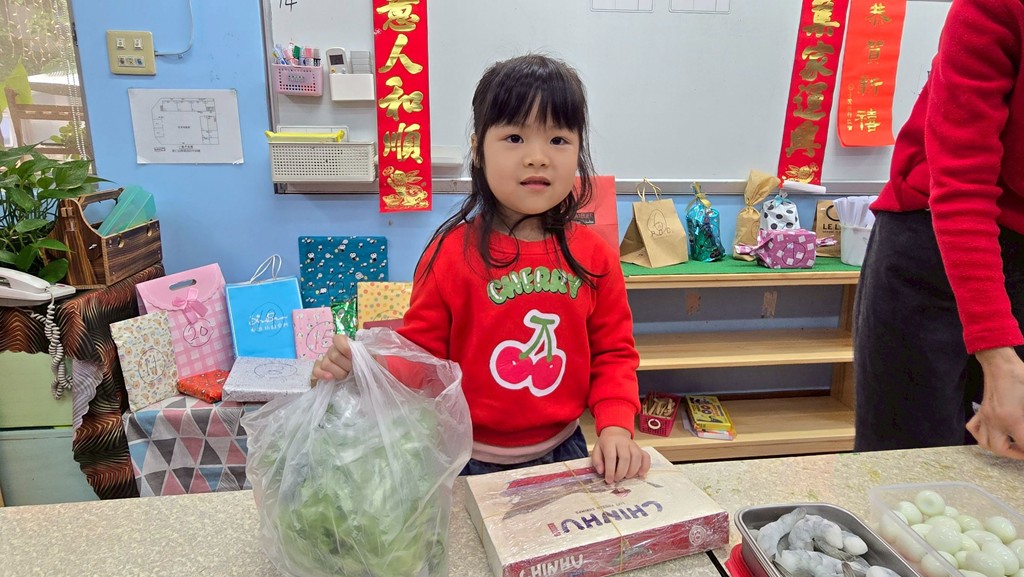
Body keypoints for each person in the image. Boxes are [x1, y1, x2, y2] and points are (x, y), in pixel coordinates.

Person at [314, 54, 651, 483]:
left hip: (564, 450)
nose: (537, 157)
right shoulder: (450, 254)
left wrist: (616, 426)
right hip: (468, 458)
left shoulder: (595, 257)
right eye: (514, 137)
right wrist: (363, 366)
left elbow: (612, 353)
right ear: (478, 148)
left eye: (558, 139)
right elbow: (422, 358)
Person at [854, 0, 1024, 460]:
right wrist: (997, 354)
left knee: (1004, 463)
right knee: (906, 462)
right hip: (934, 238)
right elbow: (962, 185)